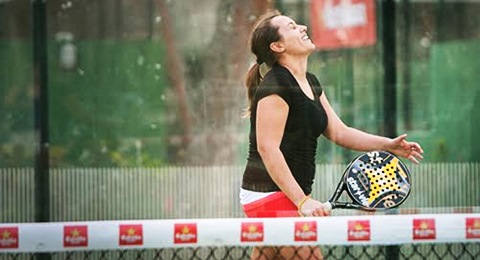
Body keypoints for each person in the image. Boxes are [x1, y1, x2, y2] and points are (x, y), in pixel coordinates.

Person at [239, 10, 424, 260]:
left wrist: (387, 145)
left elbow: (339, 131)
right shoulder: (276, 85)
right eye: (292, 27)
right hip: (267, 193)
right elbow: (267, 149)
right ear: (277, 45)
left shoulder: (311, 82)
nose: (303, 27)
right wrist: (302, 202)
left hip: (289, 194)